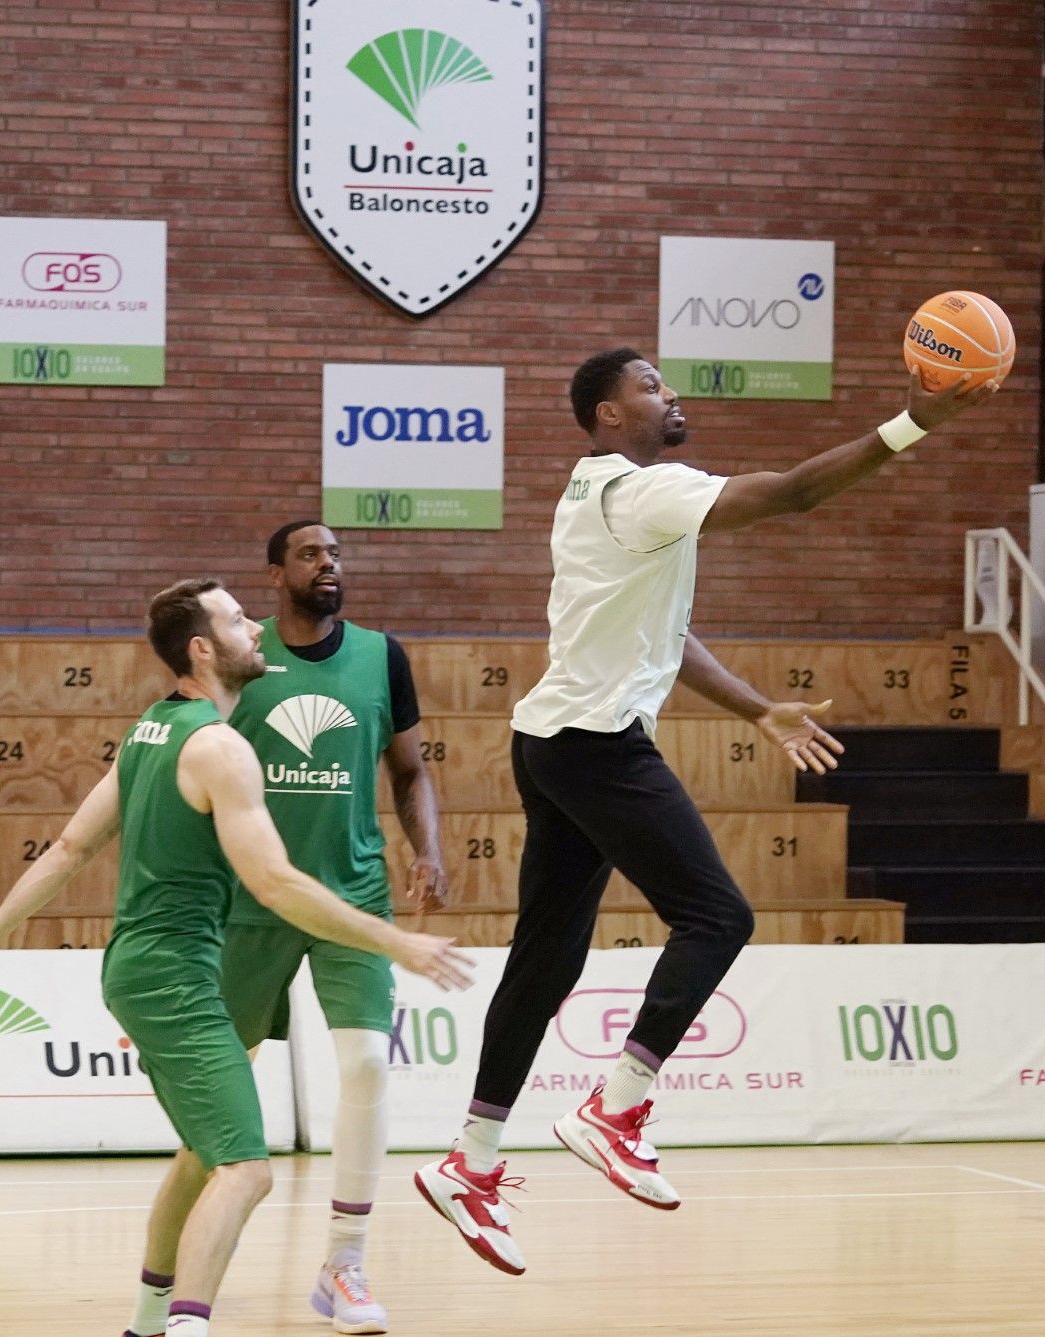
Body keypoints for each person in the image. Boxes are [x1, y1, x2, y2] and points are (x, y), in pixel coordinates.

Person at [414, 347, 993, 1275]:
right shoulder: (641, 491)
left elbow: (667, 635)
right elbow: (796, 493)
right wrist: (915, 422)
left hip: (553, 741)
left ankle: (470, 1162)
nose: (669, 392)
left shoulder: (601, 500)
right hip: (595, 744)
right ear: (607, 414)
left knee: (548, 955)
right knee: (718, 915)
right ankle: (617, 1106)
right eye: (647, 385)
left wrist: (758, 707)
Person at [0, 578, 474, 1337]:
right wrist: (399, 944)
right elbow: (274, 883)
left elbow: (69, 846)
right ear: (201, 649)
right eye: (238, 619)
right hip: (169, 976)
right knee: (247, 1168)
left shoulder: (146, 730)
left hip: (150, 969)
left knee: (205, 1157)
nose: (254, 629)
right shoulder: (217, 747)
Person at [217, 520, 446, 1335]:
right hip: (248, 900)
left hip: (351, 898)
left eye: (337, 553)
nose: (329, 564)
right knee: (218, 1077)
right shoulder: (241, 660)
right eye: (311, 553)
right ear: (275, 570)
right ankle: (188, 1254)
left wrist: (430, 852)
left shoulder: (382, 656)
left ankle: (345, 1261)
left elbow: (412, 770)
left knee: (368, 1067)